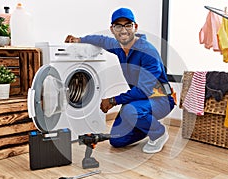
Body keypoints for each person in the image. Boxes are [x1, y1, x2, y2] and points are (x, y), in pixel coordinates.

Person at [65, 7, 175, 153]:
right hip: (139, 100)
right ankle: (147, 123)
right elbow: (101, 40)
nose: (123, 30)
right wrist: (79, 39)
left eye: (128, 25)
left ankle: (158, 133)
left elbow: (144, 90)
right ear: (112, 29)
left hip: (161, 99)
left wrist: (113, 101)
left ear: (135, 27)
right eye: (118, 26)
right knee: (117, 140)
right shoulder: (118, 46)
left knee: (130, 111)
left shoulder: (148, 52)